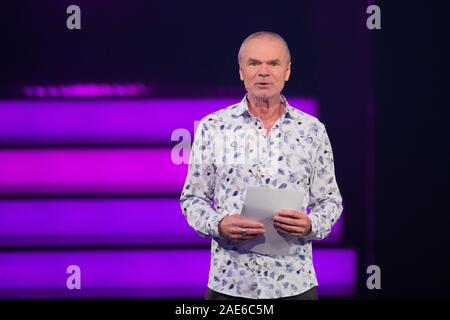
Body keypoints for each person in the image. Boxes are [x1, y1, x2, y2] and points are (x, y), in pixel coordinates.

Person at [180, 31, 343, 300]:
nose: (263, 72)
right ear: (241, 71)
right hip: (230, 284)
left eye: (273, 64)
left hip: (294, 284)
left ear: (287, 71)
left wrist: (311, 223)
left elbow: (330, 201)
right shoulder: (214, 127)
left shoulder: (312, 130)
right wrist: (218, 224)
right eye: (254, 63)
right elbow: (192, 198)